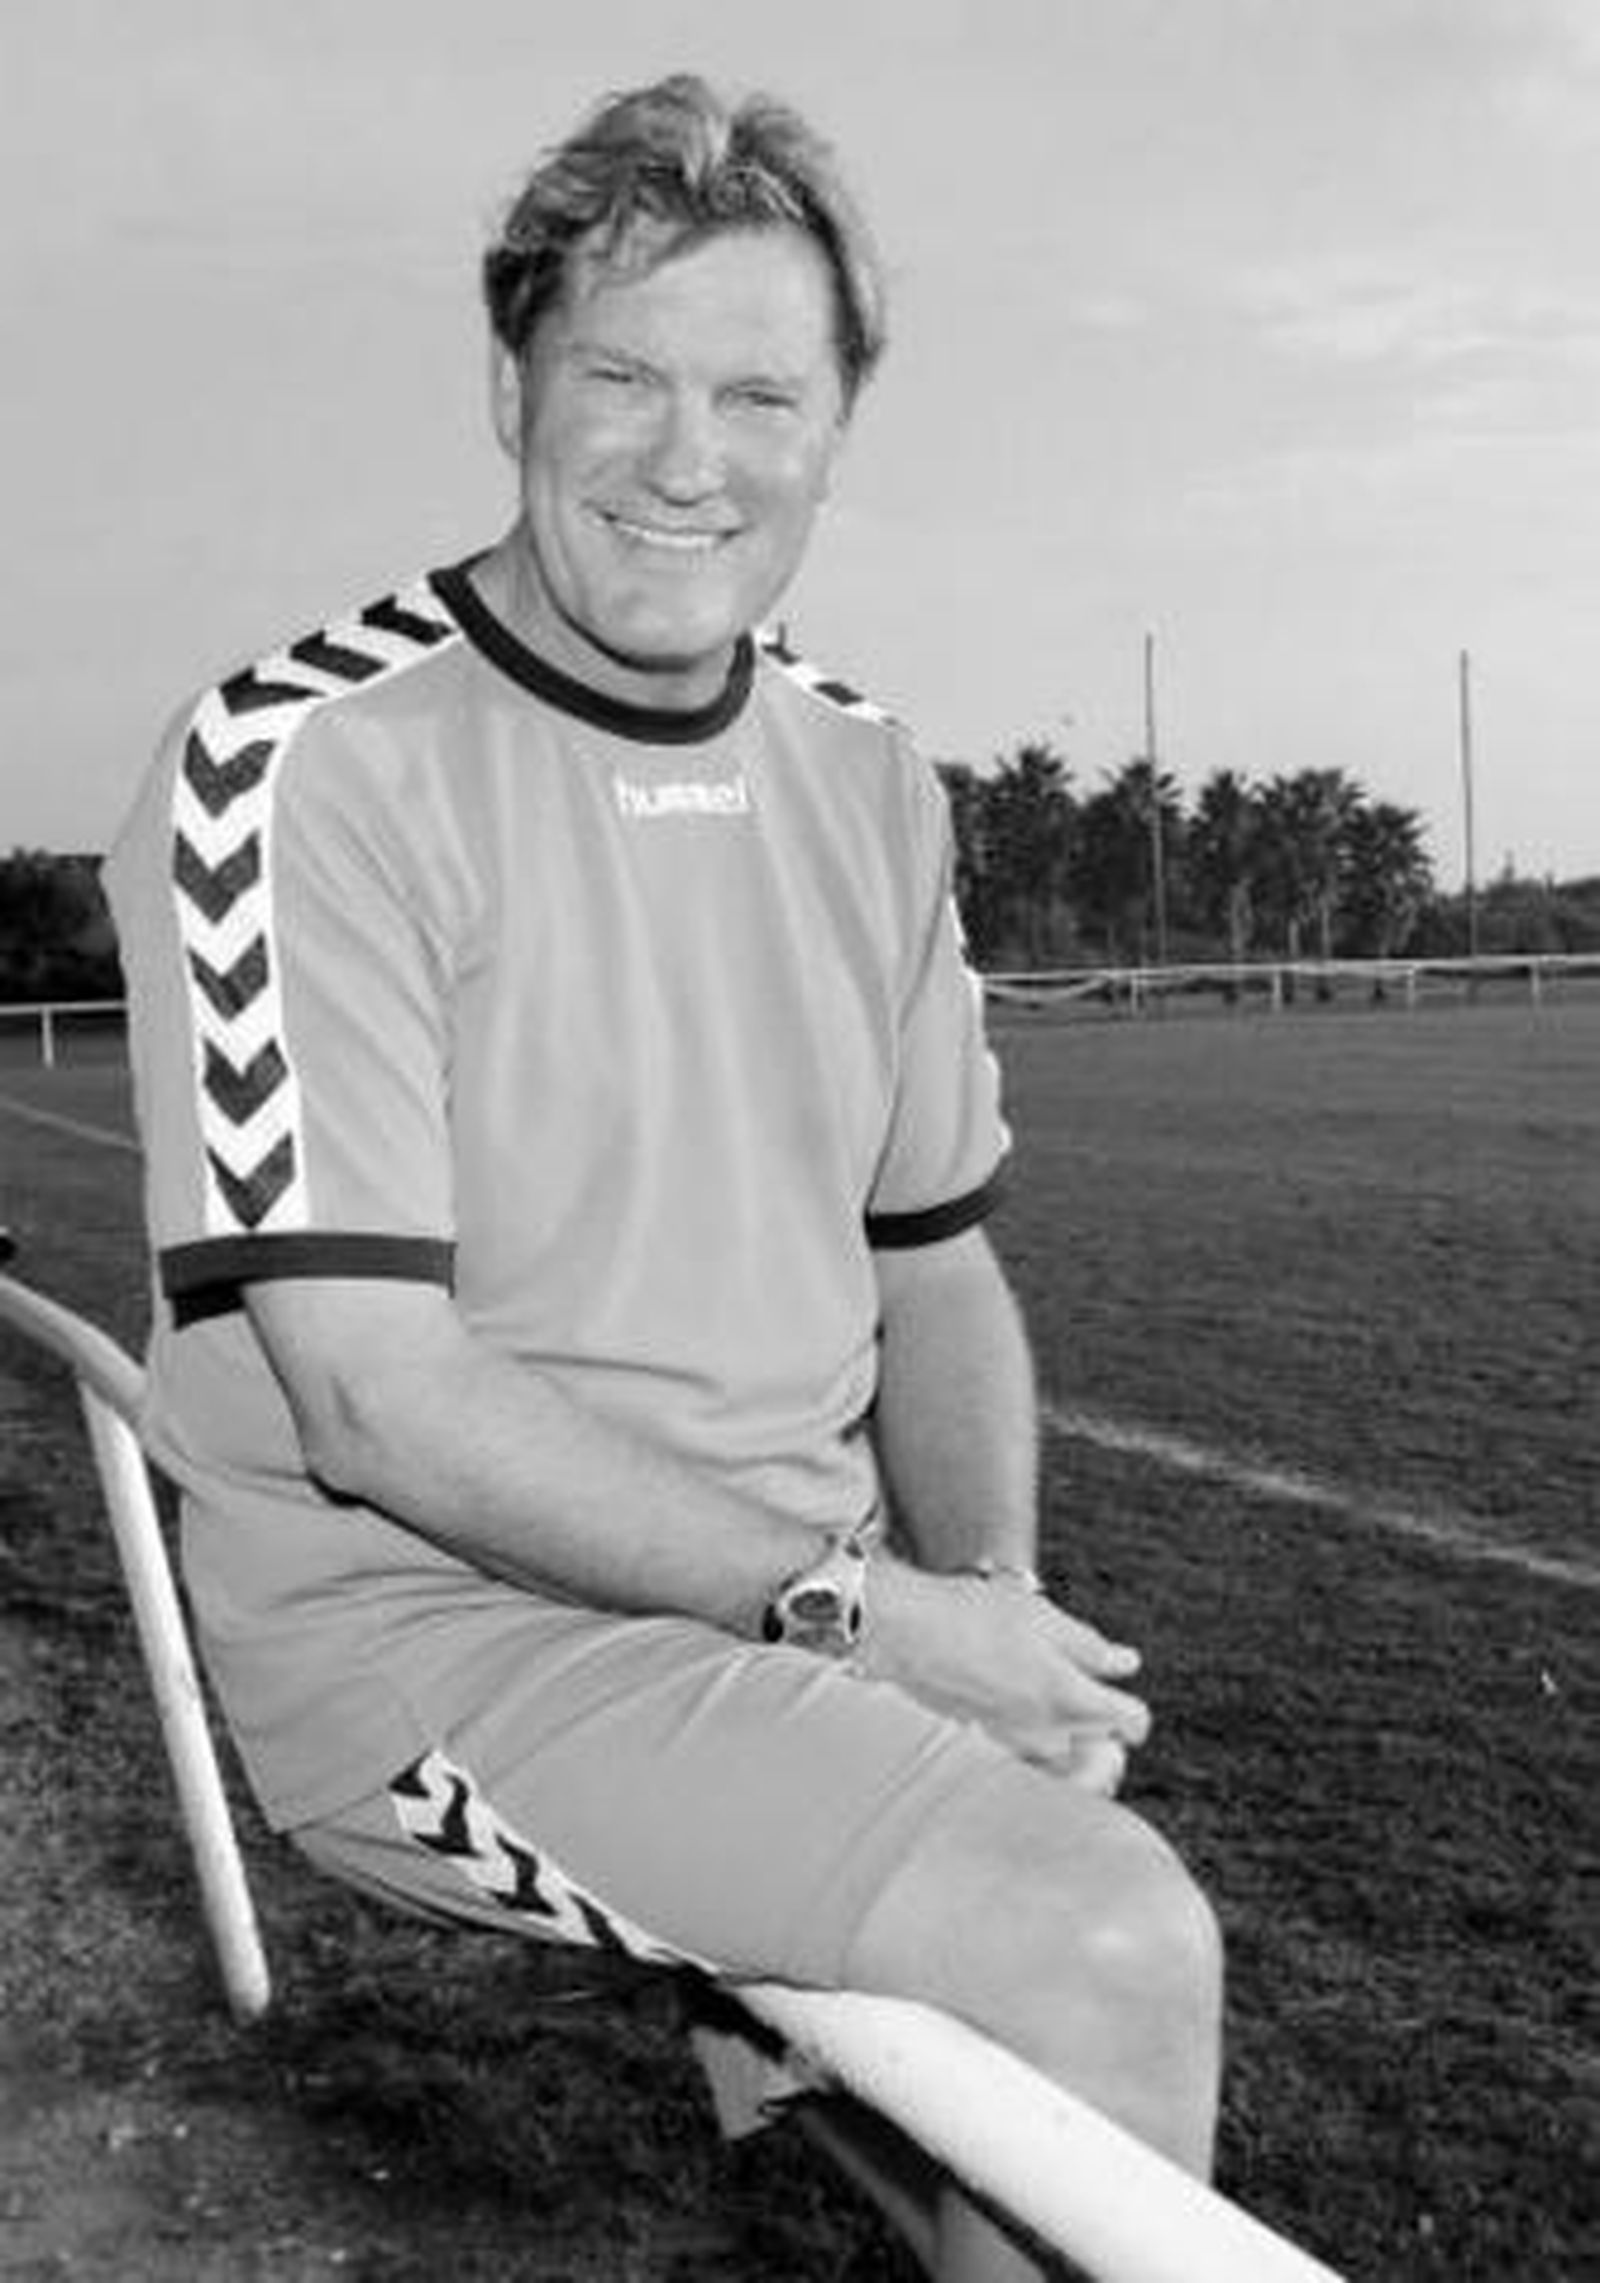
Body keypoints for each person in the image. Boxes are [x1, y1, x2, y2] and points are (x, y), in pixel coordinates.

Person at [107, 73, 1221, 2282]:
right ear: (509, 383)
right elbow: (374, 1401)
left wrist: (982, 1597)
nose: (684, 458)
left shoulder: (869, 776)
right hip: (435, 1638)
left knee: (998, 2063)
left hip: (780, 1620)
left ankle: (801, 1995)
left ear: (837, 428)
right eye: (619, 375)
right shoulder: (303, 762)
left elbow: (934, 1270)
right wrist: (872, 1623)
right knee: (1098, 1946)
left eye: (757, 394)